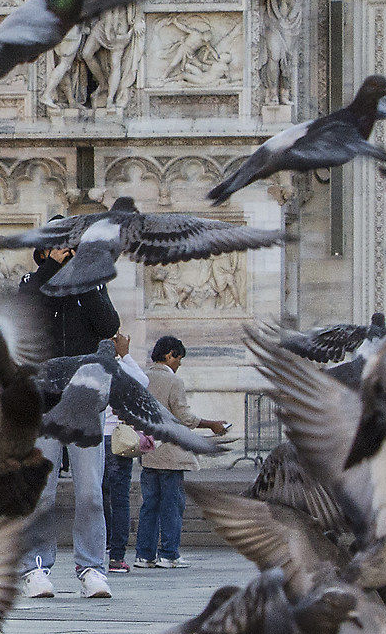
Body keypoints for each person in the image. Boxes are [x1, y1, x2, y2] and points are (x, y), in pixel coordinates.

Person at [17, 233, 121, 601]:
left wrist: (83, 277)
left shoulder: (91, 285)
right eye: (58, 246)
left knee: (91, 492)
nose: (66, 252)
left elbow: (108, 325)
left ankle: (91, 567)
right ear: (43, 250)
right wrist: (51, 269)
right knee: (40, 493)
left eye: (70, 247)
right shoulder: (32, 282)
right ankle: (34, 567)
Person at [136, 334, 230, 567]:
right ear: (170, 355)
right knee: (172, 506)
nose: (179, 364)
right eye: (179, 359)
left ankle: (144, 555)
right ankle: (169, 554)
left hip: (148, 452)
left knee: (149, 506)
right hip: (170, 453)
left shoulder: (142, 377)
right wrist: (212, 424)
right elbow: (184, 416)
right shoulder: (173, 381)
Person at [100, 332, 148, 575]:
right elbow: (143, 381)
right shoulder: (119, 369)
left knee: (97, 496)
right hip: (117, 439)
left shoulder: (91, 368)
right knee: (119, 499)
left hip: (95, 438)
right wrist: (126, 354)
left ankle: (100, 549)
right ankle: (116, 557)